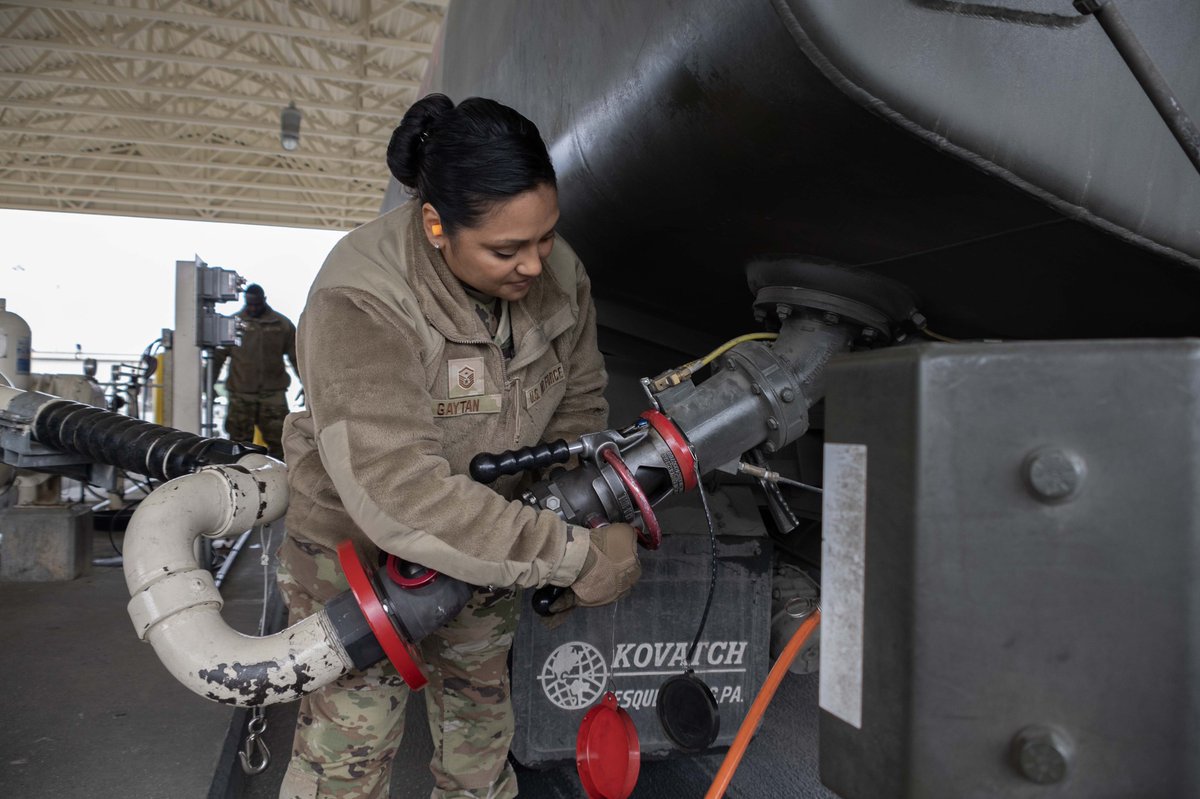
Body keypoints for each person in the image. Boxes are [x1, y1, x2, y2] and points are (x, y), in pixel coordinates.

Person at [276, 94, 642, 799]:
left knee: (479, 732)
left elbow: (578, 411)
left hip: (492, 533)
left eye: (545, 236)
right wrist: (566, 554)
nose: (536, 265)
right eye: (506, 249)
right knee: (350, 746)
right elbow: (396, 490)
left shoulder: (560, 277)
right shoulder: (361, 296)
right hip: (359, 551)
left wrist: (582, 522)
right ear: (435, 224)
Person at [212, 284, 298, 459]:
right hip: (241, 395)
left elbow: (297, 357)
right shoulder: (233, 325)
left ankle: (284, 480)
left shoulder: (281, 325)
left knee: (281, 443)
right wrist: (208, 386)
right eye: (249, 304)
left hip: (273, 395)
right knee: (238, 446)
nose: (253, 308)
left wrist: (307, 384)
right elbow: (217, 358)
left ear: (264, 300)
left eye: (257, 304)